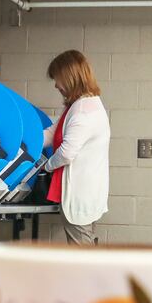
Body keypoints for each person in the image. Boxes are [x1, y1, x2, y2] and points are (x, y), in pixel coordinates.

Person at [43, 50, 110, 246]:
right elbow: (50, 134)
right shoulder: (80, 105)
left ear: (70, 77)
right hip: (87, 193)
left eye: (58, 79)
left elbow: (66, 153)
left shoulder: (83, 111)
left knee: (81, 255)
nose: (56, 85)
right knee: (84, 250)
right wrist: (23, 142)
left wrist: (45, 166)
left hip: (80, 195)